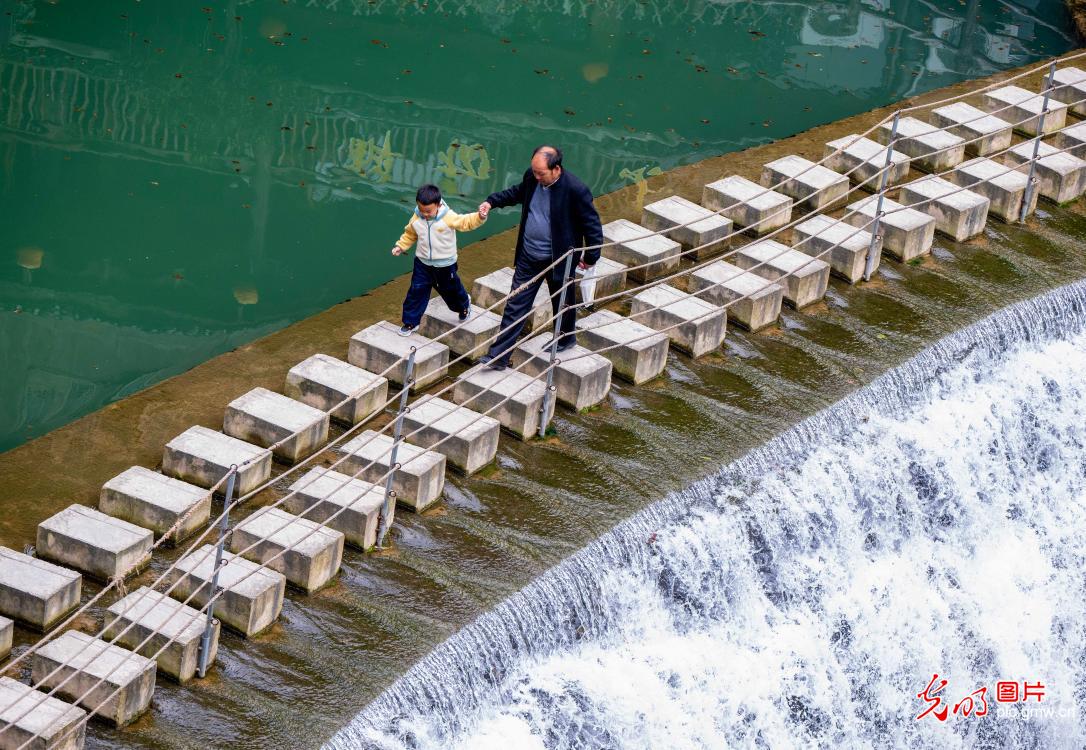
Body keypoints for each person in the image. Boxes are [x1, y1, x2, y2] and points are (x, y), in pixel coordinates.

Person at [476, 145, 602, 369]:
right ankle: (498, 357)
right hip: (528, 254)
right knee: (516, 303)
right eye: (534, 172)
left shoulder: (575, 190)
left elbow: (592, 226)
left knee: (562, 300)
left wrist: (591, 256)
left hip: (559, 258)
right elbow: (517, 192)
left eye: (540, 173)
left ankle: (566, 337)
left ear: (556, 169)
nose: (536, 177)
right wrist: (492, 201)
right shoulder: (532, 177)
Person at [391, 183, 487, 336]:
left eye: (428, 211)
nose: (425, 214)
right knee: (416, 291)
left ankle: (464, 305)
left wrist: (480, 217)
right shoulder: (417, 217)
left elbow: (465, 222)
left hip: (445, 264)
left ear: (438, 204)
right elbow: (410, 234)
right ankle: (410, 322)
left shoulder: (448, 217)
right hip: (422, 263)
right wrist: (401, 246)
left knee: (450, 290)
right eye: (422, 210)